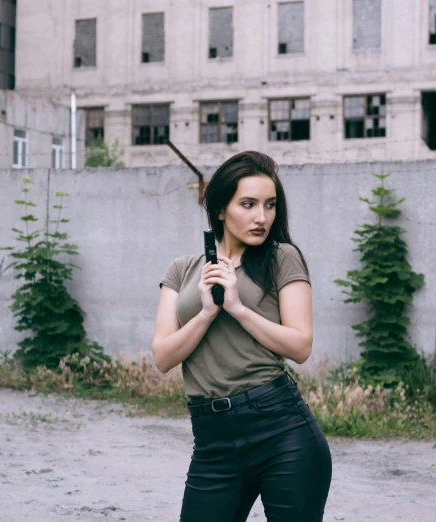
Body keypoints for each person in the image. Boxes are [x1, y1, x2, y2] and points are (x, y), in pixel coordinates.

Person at [152, 151, 332, 521]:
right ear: (220, 209)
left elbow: (301, 346)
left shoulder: (281, 258)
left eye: (270, 205)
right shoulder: (182, 270)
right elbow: (163, 357)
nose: (262, 217)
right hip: (212, 440)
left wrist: (237, 308)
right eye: (248, 204)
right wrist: (206, 313)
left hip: (281, 430)